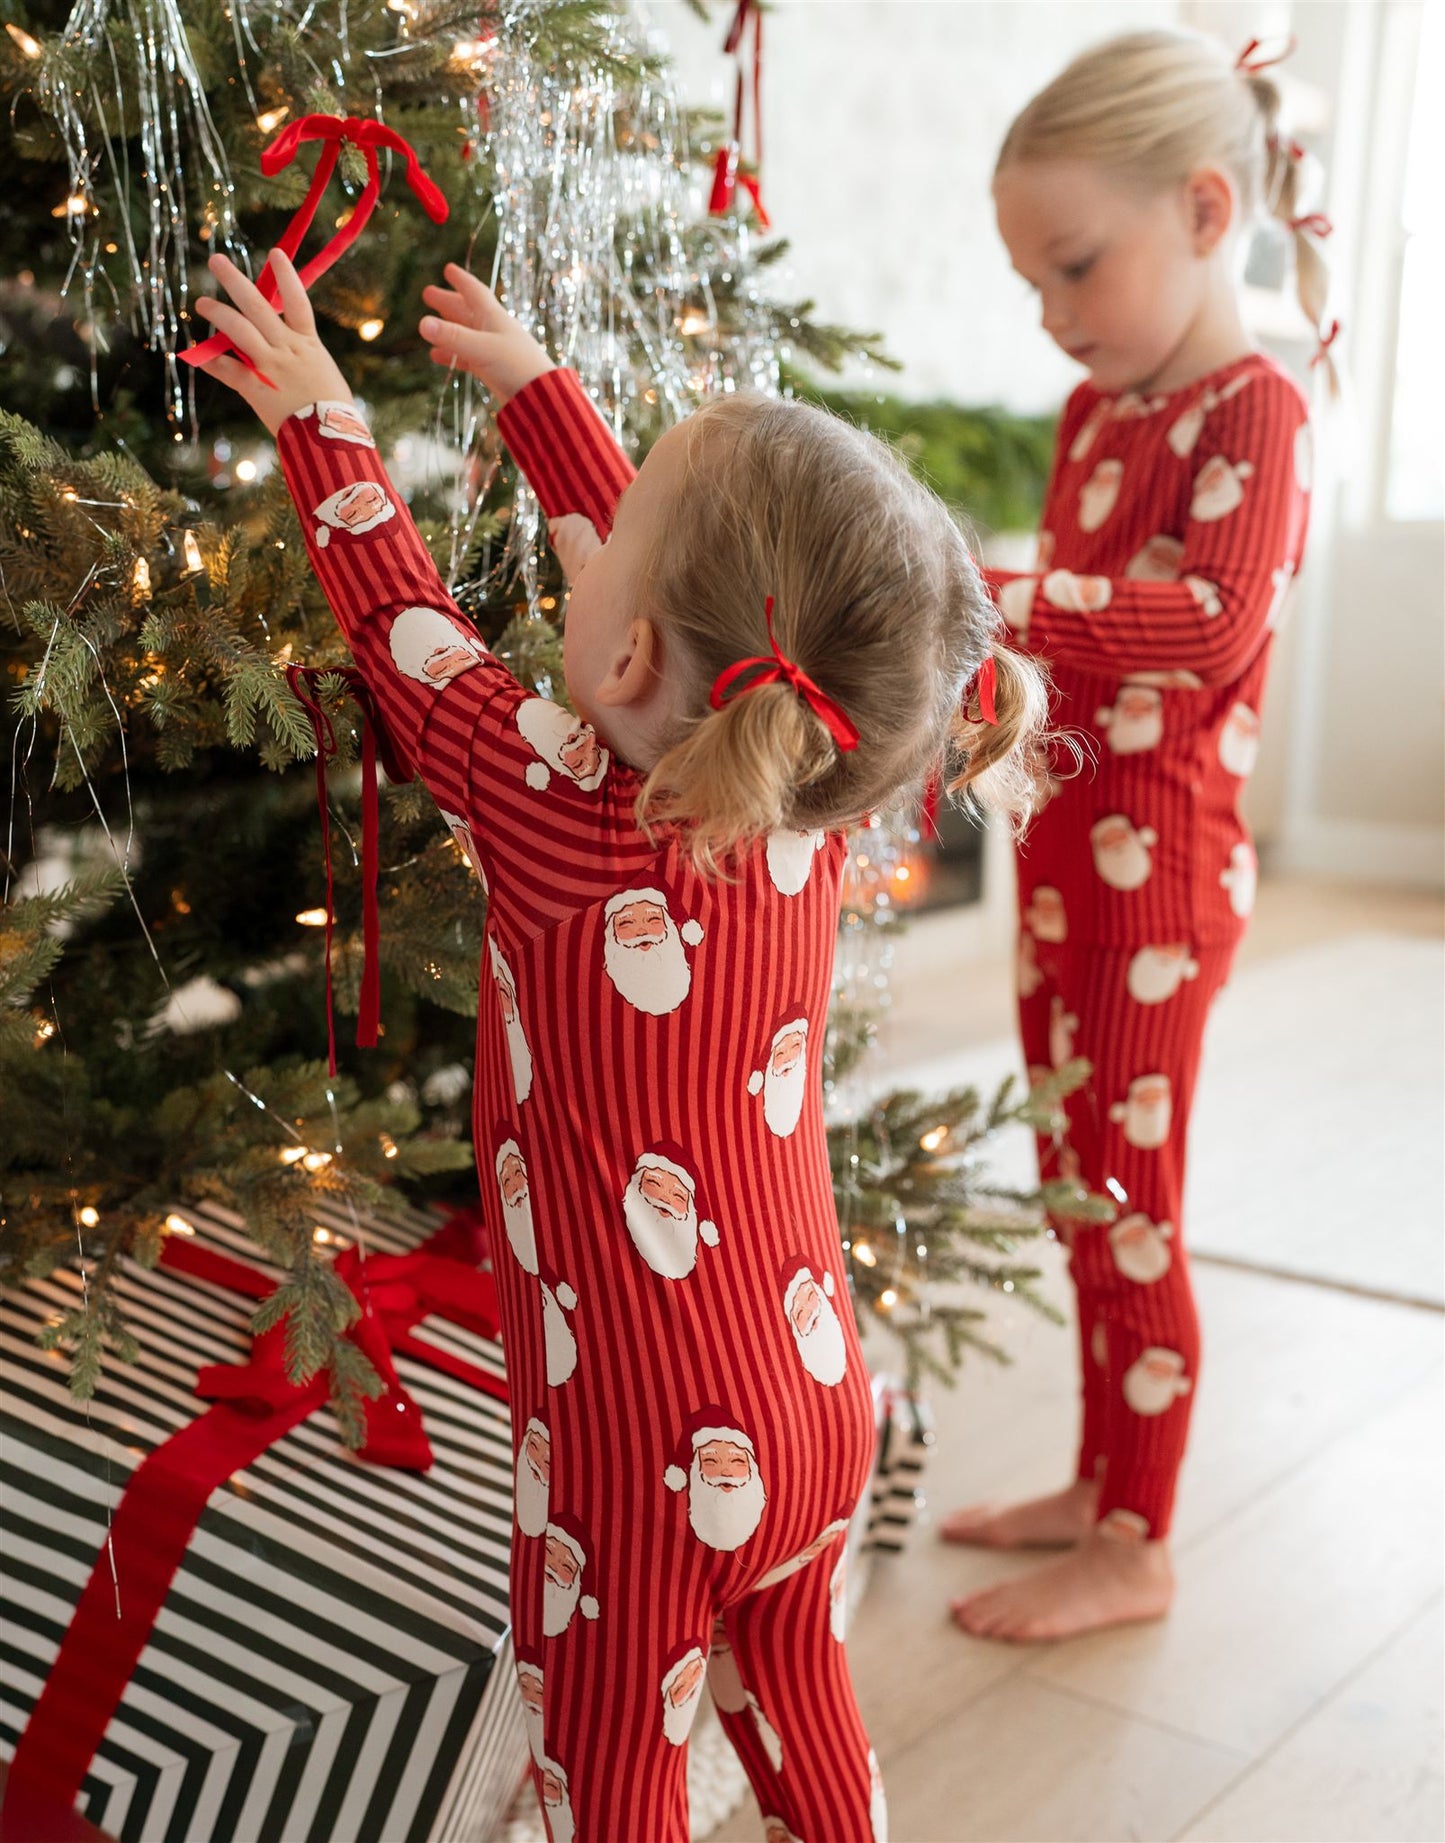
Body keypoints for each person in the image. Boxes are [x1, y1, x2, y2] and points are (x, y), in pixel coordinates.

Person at [193, 245, 1049, 1841]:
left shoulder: (558, 810)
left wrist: (322, 416)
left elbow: (405, 633)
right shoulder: (804, 802)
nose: (567, 563)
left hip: (642, 1444)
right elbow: (666, 593)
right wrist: (538, 398)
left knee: (612, 1764)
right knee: (791, 1686)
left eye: (600, 560)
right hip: (808, 1397)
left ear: (634, 657)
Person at [942, 28, 1327, 1643]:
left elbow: (1203, 622)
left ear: (1204, 207)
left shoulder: (1257, 414)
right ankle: (1099, 1488)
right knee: (1071, 1189)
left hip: (1159, 895)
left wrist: (985, 591)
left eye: (1072, 267)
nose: (1050, 314)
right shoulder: (1094, 413)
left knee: (1128, 1207)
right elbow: (1058, 657)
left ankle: (1138, 1544)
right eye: (1030, 280)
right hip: (1061, 873)